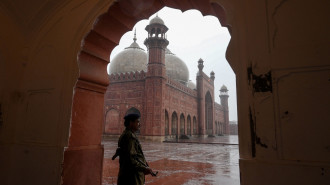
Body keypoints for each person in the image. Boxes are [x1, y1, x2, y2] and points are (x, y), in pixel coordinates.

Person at [116, 113, 154, 185]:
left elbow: (135, 156)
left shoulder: (129, 134)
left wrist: (145, 166)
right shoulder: (129, 136)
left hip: (130, 175)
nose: (139, 124)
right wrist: (143, 168)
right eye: (137, 122)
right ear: (131, 123)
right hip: (131, 177)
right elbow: (130, 159)